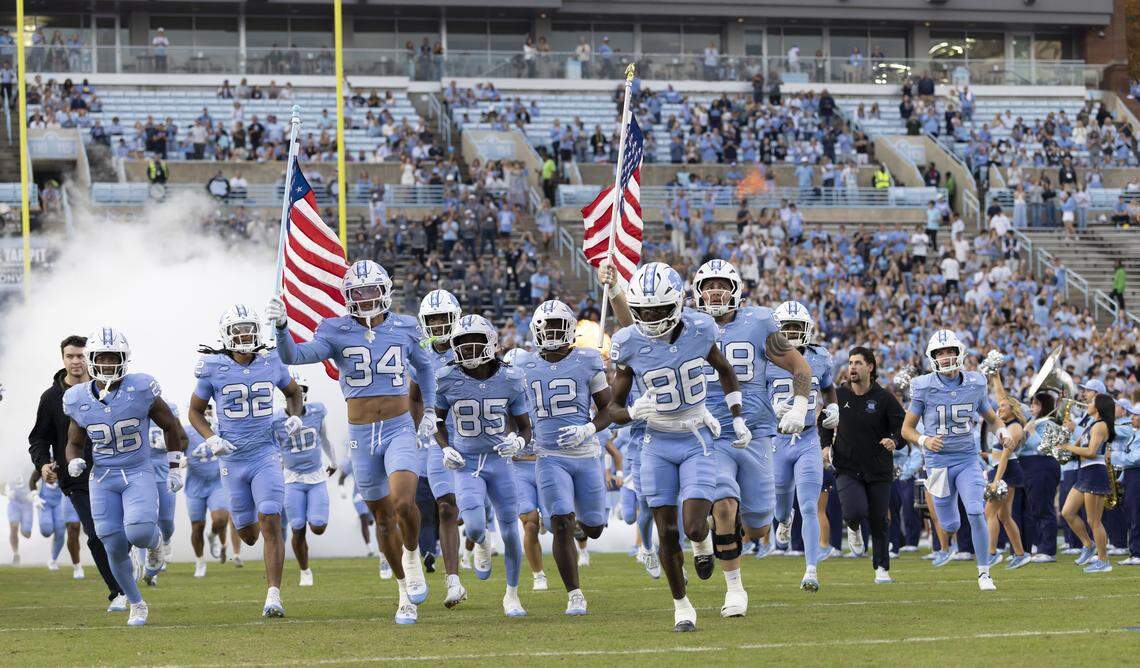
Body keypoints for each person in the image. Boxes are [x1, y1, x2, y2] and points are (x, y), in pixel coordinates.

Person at [604, 262, 777, 632]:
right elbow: (612, 407)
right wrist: (631, 411)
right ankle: (681, 604)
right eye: (643, 311)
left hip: (698, 435)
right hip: (655, 441)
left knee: (696, 527)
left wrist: (738, 415)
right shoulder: (630, 341)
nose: (650, 318)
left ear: (677, 305)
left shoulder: (700, 329)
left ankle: (701, 546)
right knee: (666, 532)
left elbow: (726, 370)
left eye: (659, 310)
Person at [267, 261, 438, 624]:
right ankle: (403, 590)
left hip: (398, 426)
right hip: (361, 434)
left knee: (404, 502)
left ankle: (412, 554)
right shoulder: (335, 329)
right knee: (382, 517)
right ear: (347, 296)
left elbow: (425, 368)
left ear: (385, 291)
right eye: (357, 292)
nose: (365, 298)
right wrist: (282, 328)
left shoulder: (406, 327)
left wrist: (432, 408)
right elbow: (293, 356)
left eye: (371, 290)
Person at [689, 260, 812, 614]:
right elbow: (636, 329)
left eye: (722, 285)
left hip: (756, 433)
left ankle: (719, 533)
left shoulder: (758, 322)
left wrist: (800, 407)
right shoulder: (688, 325)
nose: (715, 292)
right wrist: (617, 291)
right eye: (708, 286)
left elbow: (799, 366)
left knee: (758, 527)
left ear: (736, 290)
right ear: (698, 292)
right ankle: (734, 590)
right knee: (725, 504)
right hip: (709, 434)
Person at [63, 327, 187, 626]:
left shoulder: (141, 387)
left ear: (124, 359)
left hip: (137, 470)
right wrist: (73, 461)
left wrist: (174, 465)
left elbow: (170, 425)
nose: (107, 364)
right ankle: (136, 603)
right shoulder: (77, 397)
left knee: (140, 533)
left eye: (113, 357)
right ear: (92, 360)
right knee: (114, 545)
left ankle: (156, 543)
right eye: (101, 358)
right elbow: (74, 441)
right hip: (103, 478)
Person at [189, 304, 304, 618]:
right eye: (238, 329)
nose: (245, 334)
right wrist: (211, 438)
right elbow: (195, 412)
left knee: (271, 518)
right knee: (249, 534)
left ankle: (273, 596)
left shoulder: (271, 360)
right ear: (227, 334)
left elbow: (294, 394)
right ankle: (231, 532)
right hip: (232, 459)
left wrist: (295, 417)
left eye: (249, 328)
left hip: (265, 453)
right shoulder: (213, 366)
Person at [517, 300, 613, 616]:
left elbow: (608, 409)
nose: (554, 334)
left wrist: (588, 428)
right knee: (560, 522)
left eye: (560, 327)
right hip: (549, 455)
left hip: (585, 454)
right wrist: (514, 437)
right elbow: (511, 410)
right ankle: (574, 593)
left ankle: (588, 524)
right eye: (549, 328)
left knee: (595, 527)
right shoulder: (524, 366)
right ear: (536, 331)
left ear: (570, 330)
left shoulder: (587, 360)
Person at [434, 315, 532, 618]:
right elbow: (436, 421)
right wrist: (445, 446)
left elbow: (525, 427)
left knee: (511, 530)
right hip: (466, 462)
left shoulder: (511, 377)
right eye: (461, 343)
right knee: (475, 527)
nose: (467, 349)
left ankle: (512, 594)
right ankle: (481, 543)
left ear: (490, 343)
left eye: (474, 342)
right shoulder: (446, 377)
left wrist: (517, 442)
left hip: (499, 459)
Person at [901, 330, 1011, 591]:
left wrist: (1003, 432)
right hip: (937, 462)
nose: (947, 356)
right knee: (949, 523)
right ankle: (951, 540)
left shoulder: (975, 382)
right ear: (933, 357)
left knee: (975, 510)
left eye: (950, 351)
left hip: (966, 457)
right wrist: (924, 440)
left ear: (960, 353)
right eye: (941, 353)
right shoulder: (924, 386)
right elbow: (907, 429)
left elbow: (993, 418)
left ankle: (984, 573)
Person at [28, 335, 125, 609]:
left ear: (90, 358)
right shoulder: (51, 397)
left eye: (81, 356)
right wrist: (43, 464)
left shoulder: (110, 389)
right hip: (77, 479)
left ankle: (127, 567)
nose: (76, 361)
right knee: (95, 534)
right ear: (63, 359)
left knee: (125, 531)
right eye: (70, 356)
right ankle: (117, 591)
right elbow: (38, 438)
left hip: (117, 470)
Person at [769, 301, 837, 592]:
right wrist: (772, 407)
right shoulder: (765, 357)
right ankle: (784, 520)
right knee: (782, 506)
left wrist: (834, 407)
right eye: (787, 327)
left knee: (809, 505)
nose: (793, 332)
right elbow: (754, 395)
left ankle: (811, 570)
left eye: (798, 327)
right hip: (777, 438)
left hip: (808, 437)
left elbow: (828, 387)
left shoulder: (819, 356)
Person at [414, 289, 470, 607]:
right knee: (445, 506)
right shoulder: (419, 354)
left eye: (442, 318)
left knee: (474, 515)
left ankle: (479, 539)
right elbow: (412, 396)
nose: (437, 324)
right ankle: (453, 581)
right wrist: (412, 429)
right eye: (432, 319)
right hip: (438, 439)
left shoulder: (472, 342)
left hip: (475, 436)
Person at [831, 347, 905, 583]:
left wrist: (894, 440)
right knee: (854, 511)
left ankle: (881, 568)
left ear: (870, 367)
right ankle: (853, 527)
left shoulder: (884, 399)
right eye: (850, 362)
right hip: (847, 466)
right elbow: (825, 422)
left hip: (878, 468)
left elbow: (903, 430)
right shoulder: (838, 396)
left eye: (858, 363)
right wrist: (825, 445)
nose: (852, 367)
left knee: (879, 520)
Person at [272, 370, 334, 588]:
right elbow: (271, 447)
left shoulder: (316, 412)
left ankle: (313, 521)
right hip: (292, 479)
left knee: (318, 526)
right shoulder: (276, 420)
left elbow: (324, 439)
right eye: (296, 390)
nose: (299, 393)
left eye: (302, 390)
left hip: (316, 477)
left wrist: (333, 461)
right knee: (297, 527)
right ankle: (304, 570)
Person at [502, 346, 549, 593]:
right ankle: (538, 573)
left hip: (545, 463)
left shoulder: (545, 393)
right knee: (530, 522)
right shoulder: (500, 397)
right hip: (519, 467)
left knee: (556, 521)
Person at [1059, 393, 1117, 573]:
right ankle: (1088, 545)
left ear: (1099, 406)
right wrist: (1061, 442)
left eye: (1091, 402)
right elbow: (1076, 448)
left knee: (1094, 521)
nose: (1088, 404)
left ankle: (1104, 560)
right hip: (1084, 472)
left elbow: (1091, 452)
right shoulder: (1090, 425)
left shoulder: (1100, 425)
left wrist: (1068, 447)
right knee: (1067, 512)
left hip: (1094, 472)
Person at [981, 367, 1031, 569]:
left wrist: (995, 481)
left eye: (1003, 406)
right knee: (1004, 516)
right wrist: (995, 375)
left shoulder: (1015, 427)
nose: (999, 407)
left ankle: (992, 553)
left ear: (1012, 409)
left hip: (1006, 470)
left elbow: (1004, 457)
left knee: (990, 513)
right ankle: (1020, 554)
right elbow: (1000, 393)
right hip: (1002, 469)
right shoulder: (1005, 421)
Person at [183, 403, 232, 578]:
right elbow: (174, 446)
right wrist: (178, 460)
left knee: (220, 519)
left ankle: (212, 536)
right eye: (202, 409)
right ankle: (200, 561)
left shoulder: (221, 428)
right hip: (195, 484)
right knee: (197, 526)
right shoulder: (187, 431)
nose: (206, 412)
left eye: (209, 408)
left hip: (216, 482)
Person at [1020, 391, 1062, 562]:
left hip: (1043, 464)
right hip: (1028, 465)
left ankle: (1048, 549)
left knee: (1044, 506)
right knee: (1033, 507)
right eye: (1031, 404)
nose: (1032, 407)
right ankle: (1037, 544)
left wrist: (1030, 432)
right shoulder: (1032, 422)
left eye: (1036, 404)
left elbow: (1045, 447)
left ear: (1044, 406)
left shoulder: (1050, 423)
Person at [143, 399, 181, 585]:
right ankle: (149, 567)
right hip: (141, 471)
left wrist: (176, 453)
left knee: (165, 520)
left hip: (165, 471)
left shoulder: (168, 409)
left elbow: (183, 437)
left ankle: (165, 540)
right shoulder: (133, 409)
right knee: (145, 520)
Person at [30, 469, 84, 576]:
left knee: (60, 531)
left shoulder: (63, 464)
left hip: (60, 500)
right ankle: (49, 524)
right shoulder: (42, 463)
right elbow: (32, 480)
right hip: (45, 502)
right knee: (46, 530)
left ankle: (53, 559)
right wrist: (35, 496)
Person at [4, 472, 32, 565]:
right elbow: (1, 483)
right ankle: (15, 554)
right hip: (14, 504)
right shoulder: (10, 468)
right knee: (14, 526)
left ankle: (25, 529)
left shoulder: (28, 467)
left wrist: (34, 493)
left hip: (27, 504)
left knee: (26, 533)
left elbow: (37, 482)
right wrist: (6, 492)